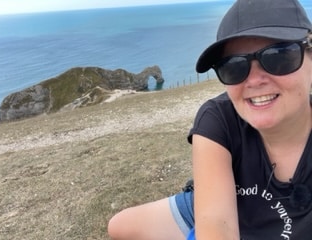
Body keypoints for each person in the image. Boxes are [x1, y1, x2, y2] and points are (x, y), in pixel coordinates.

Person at [108, 0, 312, 239]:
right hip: (225, 199)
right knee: (120, 226)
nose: (254, 81)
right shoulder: (219, 118)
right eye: (233, 66)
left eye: (279, 56)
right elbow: (217, 227)